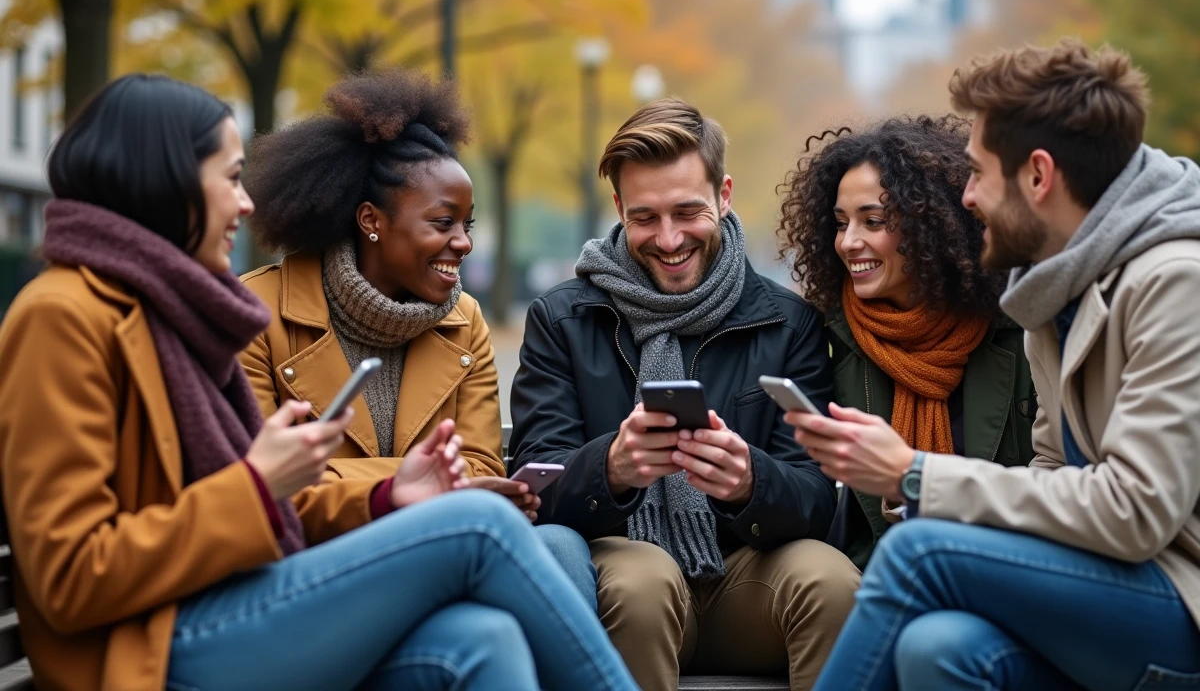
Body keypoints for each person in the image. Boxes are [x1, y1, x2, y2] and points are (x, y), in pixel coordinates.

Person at [0, 73, 640, 691]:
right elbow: (71, 579)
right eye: (229, 179)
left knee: (481, 642)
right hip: (144, 645)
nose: (247, 203)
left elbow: (263, 503)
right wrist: (255, 484)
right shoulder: (63, 315)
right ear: (164, 182)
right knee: (479, 526)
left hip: (226, 599)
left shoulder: (175, 309)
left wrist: (386, 497)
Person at [790, 39, 1200, 691]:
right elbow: (1050, 475)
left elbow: (1136, 509)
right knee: (938, 648)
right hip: (1108, 584)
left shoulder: (1176, 281)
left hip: (1180, 602)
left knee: (916, 551)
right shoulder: (1052, 288)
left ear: (1037, 176)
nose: (969, 196)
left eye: (979, 173)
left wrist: (916, 474)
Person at [509, 97, 861, 691]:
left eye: (687, 212)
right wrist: (613, 469)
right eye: (644, 217)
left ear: (723, 196)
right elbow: (533, 486)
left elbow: (817, 499)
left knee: (832, 582)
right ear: (618, 208)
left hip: (743, 571)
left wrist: (750, 482)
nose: (668, 239)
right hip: (623, 565)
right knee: (642, 586)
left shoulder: (788, 322)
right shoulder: (563, 319)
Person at [239, 69, 596, 604]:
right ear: (370, 220)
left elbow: (479, 467)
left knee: (560, 548)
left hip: (438, 553)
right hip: (314, 567)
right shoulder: (257, 314)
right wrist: (403, 487)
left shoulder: (464, 320)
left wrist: (391, 484)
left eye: (467, 225)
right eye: (442, 222)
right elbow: (264, 482)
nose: (463, 243)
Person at [777, 115, 1035, 569]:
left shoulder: (1019, 331)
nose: (849, 242)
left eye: (872, 221)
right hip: (881, 575)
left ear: (931, 227)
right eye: (840, 224)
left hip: (1005, 566)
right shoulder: (831, 339)